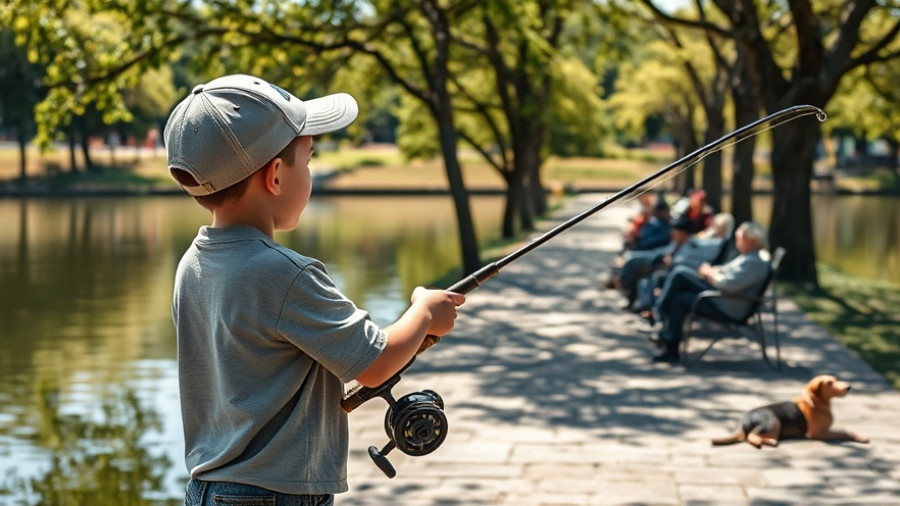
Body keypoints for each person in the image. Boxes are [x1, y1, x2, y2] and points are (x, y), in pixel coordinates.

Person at [164, 74, 465, 504]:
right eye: (308, 160)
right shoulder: (286, 274)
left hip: (207, 490)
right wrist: (424, 313)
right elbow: (376, 364)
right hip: (275, 496)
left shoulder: (191, 264)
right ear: (275, 176)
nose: (309, 171)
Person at [647, 221, 770, 363]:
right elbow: (726, 271)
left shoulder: (754, 262)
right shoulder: (749, 257)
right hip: (721, 297)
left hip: (725, 304)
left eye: (739, 239)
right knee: (679, 295)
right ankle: (669, 343)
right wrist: (711, 271)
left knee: (680, 274)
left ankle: (659, 315)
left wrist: (709, 274)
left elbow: (727, 284)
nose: (737, 243)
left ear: (751, 240)